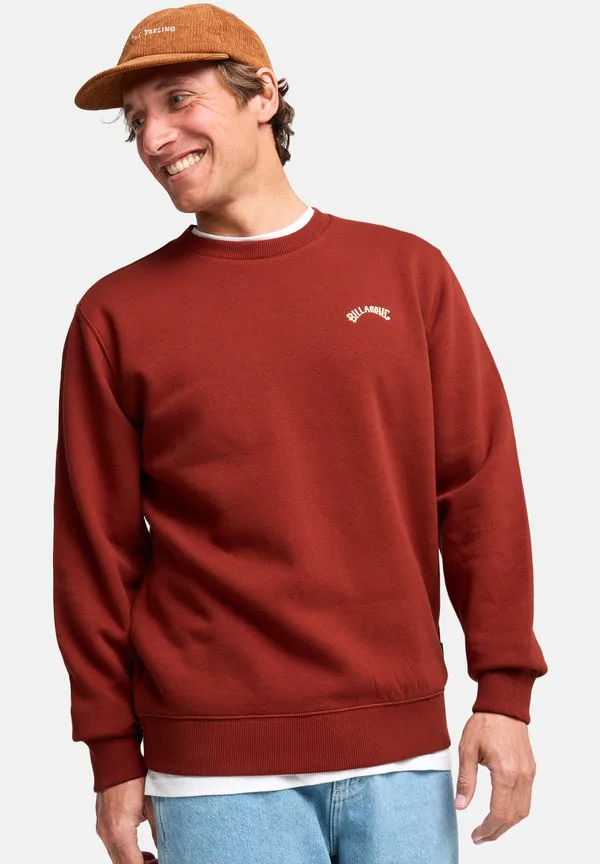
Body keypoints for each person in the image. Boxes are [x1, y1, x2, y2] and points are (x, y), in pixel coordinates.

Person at [53, 3, 548, 862]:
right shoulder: (117, 316)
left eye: (179, 100)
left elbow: (478, 487)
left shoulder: (406, 272)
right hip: (214, 773)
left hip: (403, 755)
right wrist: (111, 754)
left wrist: (504, 692)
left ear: (263, 96)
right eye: (136, 121)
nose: (156, 139)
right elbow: (94, 551)